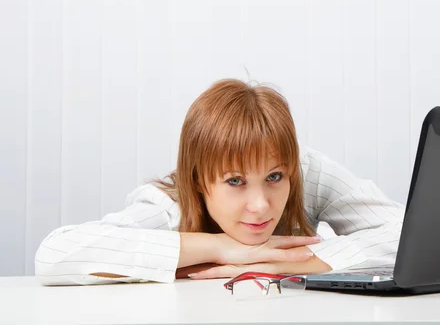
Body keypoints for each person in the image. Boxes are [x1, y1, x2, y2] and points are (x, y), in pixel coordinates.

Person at [34, 79, 405, 286]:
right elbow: (56, 255)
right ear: (198, 181)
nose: (260, 205)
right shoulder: (169, 204)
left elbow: (411, 233)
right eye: (235, 181)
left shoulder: (306, 169)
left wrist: (297, 262)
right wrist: (221, 248)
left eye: (274, 177)